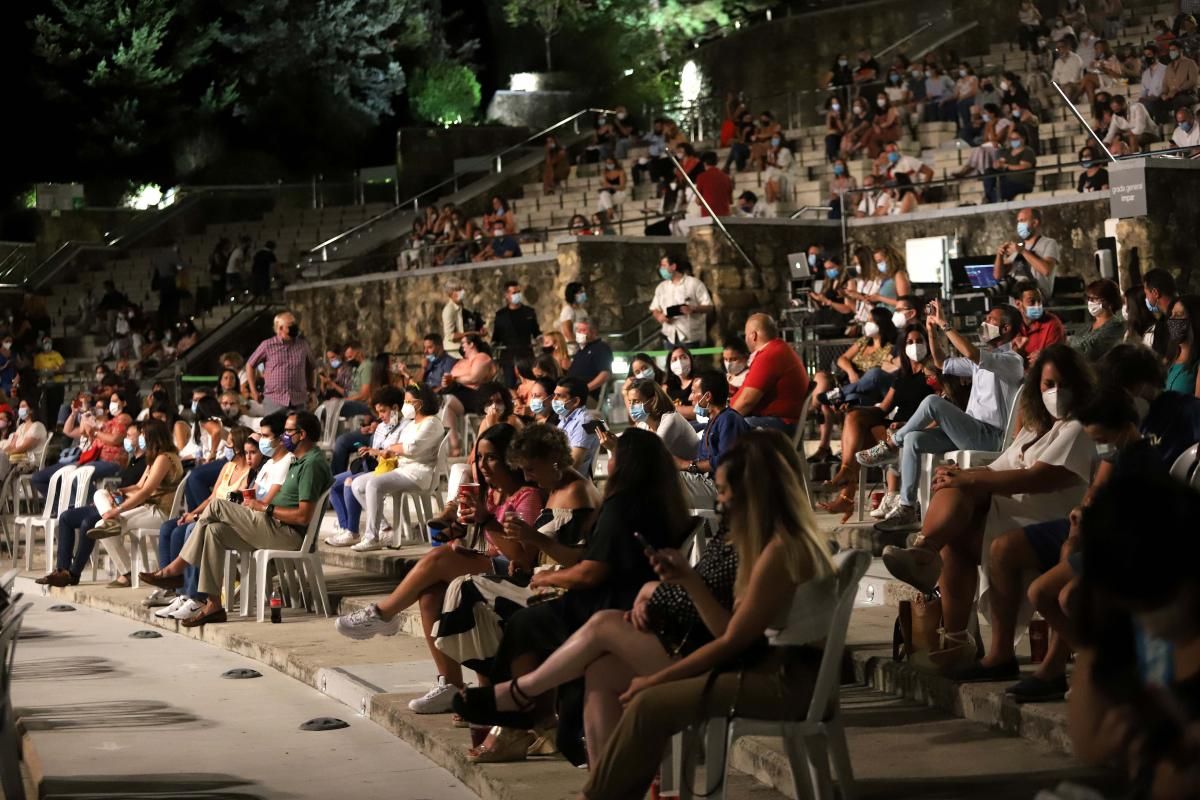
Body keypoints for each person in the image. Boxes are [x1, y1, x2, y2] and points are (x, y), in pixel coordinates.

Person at [551, 431, 835, 798]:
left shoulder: (780, 550)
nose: (720, 499)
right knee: (609, 674)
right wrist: (688, 579)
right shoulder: (775, 541)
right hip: (774, 666)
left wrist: (659, 679)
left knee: (649, 703)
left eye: (724, 489)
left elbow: (732, 642)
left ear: (752, 490)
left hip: (786, 680)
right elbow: (729, 633)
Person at [454, 428, 693, 764]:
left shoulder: (621, 505)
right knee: (517, 611)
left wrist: (551, 578)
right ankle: (524, 712)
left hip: (611, 602)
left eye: (614, 455)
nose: (608, 461)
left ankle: (518, 714)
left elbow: (591, 571)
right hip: (628, 596)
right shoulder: (663, 502)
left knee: (524, 622)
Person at [883, 345, 1097, 676]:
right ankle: (955, 635)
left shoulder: (1078, 427)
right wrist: (957, 475)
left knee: (964, 493)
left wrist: (967, 477)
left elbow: (1038, 478)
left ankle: (925, 552)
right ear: (1036, 388)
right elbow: (999, 468)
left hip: (1048, 515)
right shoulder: (1033, 428)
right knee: (956, 516)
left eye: (1062, 384)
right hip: (1013, 508)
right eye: (1048, 385)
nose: (1056, 393)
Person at [334, 423, 543, 710]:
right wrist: (458, 529)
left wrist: (485, 522)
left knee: (439, 557)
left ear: (510, 459)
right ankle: (450, 684)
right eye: (479, 458)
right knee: (430, 593)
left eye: (491, 457)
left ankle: (383, 613)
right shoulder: (492, 494)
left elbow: (524, 558)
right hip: (491, 565)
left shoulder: (526, 496)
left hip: (515, 576)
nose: (483, 465)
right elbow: (487, 539)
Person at [1068, 475, 1200, 798]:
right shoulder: (1118, 623)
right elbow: (1087, 742)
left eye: (1159, 599)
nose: (1151, 617)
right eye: (1136, 605)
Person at [142, 411, 333, 626]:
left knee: (216, 506)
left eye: (288, 432)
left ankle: (176, 569)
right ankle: (213, 604)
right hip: (272, 527)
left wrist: (264, 507)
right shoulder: (298, 461)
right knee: (213, 531)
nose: (284, 436)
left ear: (302, 434)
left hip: (287, 534)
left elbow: (303, 516)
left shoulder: (311, 464)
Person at [860, 301, 1026, 533]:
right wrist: (931, 329)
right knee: (913, 439)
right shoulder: (982, 359)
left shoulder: (1011, 361)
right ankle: (907, 508)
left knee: (932, 402)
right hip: (970, 431)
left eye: (991, 320)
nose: (984, 323)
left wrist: (944, 323)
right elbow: (941, 362)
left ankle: (890, 445)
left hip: (991, 437)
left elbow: (969, 352)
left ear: (1006, 329)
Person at [825, 324, 937, 522]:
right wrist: (855, 409)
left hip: (914, 429)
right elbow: (883, 408)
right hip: (892, 429)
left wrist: (907, 424)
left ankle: (847, 494)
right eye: (910, 342)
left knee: (862, 438)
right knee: (853, 417)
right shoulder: (902, 376)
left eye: (919, 341)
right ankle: (846, 473)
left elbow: (938, 410)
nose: (915, 345)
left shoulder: (932, 374)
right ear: (903, 347)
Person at [149, 426, 255, 618]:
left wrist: (197, 518)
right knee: (169, 528)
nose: (226, 447)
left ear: (239, 446)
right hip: (208, 512)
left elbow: (231, 504)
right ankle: (177, 591)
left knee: (188, 530)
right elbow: (212, 498)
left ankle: (195, 596)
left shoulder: (250, 474)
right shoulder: (227, 467)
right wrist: (192, 512)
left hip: (225, 520)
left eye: (229, 443)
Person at [36, 422, 147, 587]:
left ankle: (73, 574)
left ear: (142, 437)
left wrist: (120, 497)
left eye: (130, 435)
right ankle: (62, 570)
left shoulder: (146, 462)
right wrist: (114, 495)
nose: (127, 439)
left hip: (126, 507)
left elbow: (142, 491)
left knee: (88, 523)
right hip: (111, 503)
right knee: (66, 517)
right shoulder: (132, 461)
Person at [81, 419, 185, 589]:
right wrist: (119, 492)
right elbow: (138, 486)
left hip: (158, 512)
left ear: (153, 437)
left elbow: (146, 491)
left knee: (102, 526)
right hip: (146, 508)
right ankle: (127, 570)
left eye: (143, 434)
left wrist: (119, 510)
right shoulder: (155, 458)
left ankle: (112, 526)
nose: (141, 437)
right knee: (100, 495)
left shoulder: (165, 458)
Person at [324, 387, 411, 545]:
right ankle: (345, 528)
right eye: (378, 412)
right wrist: (368, 451)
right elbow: (378, 451)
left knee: (350, 482)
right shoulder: (381, 426)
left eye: (383, 411)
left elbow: (398, 453)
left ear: (396, 408)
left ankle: (356, 531)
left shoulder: (407, 427)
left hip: (392, 470)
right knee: (331, 483)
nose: (380, 416)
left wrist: (377, 452)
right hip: (374, 467)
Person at [809, 307, 896, 462]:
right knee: (821, 377)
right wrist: (851, 372)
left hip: (868, 390)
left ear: (881, 323)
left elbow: (882, 372)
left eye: (870, 321)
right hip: (849, 380)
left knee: (852, 398)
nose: (867, 324)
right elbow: (842, 359)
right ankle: (818, 410)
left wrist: (859, 379)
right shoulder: (863, 342)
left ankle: (838, 449)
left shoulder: (890, 347)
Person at [731, 313, 809, 431]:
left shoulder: (769, 355)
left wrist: (720, 422)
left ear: (753, 336)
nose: (745, 339)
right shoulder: (779, 349)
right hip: (781, 421)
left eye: (746, 335)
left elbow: (746, 402)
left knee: (722, 429)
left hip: (777, 424)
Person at [245, 311, 316, 413]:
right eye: (290, 325)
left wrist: (312, 391)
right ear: (280, 328)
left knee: (298, 428)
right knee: (273, 428)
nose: (294, 328)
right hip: (274, 400)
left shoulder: (303, 345)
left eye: (294, 324)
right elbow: (250, 365)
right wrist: (253, 391)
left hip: (298, 400)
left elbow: (312, 367)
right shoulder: (267, 345)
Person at [621, 379, 698, 463]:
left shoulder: (670, 419)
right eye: (630, 401)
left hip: (694, 472)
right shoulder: (643, 425)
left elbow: (649, 458)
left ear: (652, 401)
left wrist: (615, 448)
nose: (631, 407)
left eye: (636, 401)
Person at [993, 207, 1061, 298]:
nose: (1019, 225)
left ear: (1034, 223)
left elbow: (1046, 270)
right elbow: (997, 275)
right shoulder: (1019, 245)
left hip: (1036, 299)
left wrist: (1022, 251)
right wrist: (999, 255)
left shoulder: (1049, 243)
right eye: (1018, 221)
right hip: (1016, 301)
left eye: (1022, 221)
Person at [649, 256, 713, 349]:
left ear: (673, 266)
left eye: (663, 266)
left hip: (691, 338)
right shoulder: (661, 287)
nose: (661, 269)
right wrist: (659, 316)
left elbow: (709, 307)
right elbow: (654, 308)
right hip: (669, 337)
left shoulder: (694, 283)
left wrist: (693, 308)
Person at [492, 282, 541, 387]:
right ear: (506, 295)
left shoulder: (529, 312)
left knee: (531, 384)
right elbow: (496, 337)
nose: (517, 295)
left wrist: (540, 339)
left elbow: (536, 332)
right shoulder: (500, 315)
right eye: (514, 292)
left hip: (526, 356)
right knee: (510, 386)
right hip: (508, 358)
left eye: (518, 292)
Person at [553, 377, 599, 475]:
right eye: (554, 395)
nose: (554, 400)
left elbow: (572, 465)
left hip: (574, 484)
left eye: (559, 396)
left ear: (575, 401)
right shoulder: (564, 419)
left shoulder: (586, 421)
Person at [1071, 278, 1125, 360]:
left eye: (1094, 299)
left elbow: (1091, 351)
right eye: (1089, 298)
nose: (1090, 302)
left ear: (1109, 301)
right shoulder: (1086, 328)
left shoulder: (1116, 326)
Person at [983, 127, 1037, 204]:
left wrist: (1006, 166)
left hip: (1021, 183)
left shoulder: (1027, 151)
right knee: (989, 172)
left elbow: (1024, 167)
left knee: (1000, 189)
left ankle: (992, 201)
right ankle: (988, 197)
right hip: (1007, 181)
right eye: (1011, 139)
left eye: (1016, 139)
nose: (1013, 141)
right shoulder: (1009, 151)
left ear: (1023, 139)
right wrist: (997, 164)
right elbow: (1001, 161)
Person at [1013, 284, 1066, 361]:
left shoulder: (1052, 323)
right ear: (1018, 304)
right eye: (1031, 302)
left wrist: (1044, 358)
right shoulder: (1011, 324)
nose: (1037, 305)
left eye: (1039, 301)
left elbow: (1056, 357)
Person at [0, 399, 47, 482]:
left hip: (29, 462)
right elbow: (12, 445)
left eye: (23, 406)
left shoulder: (37, 426)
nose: (20, 409)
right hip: (16, 458)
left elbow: (23, 448)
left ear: (31, 410)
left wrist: (6, 453)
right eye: (19, 407)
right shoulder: (21, 427)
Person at [566, 320, 612, 400]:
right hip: (572, 393)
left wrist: (585, 389)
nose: (579, 333)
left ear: (593, 331)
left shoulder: (601, 348)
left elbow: (605, 374)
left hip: (588, 396)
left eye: (583, 330)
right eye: (578, 330)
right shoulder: (581, 350)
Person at [1165, 295, 1200, 397]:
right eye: (1171, 315)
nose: (1171, 320)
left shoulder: (1196, 365)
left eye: (1178, 315)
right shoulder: (1170, 358)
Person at [1143, 267, 1180, 356]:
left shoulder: (1169, 321)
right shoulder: (1192, 306)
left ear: (1155, 293)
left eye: (1146, 293)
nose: (1146, 298)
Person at [693, 152, 732, 217]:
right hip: (725, 215)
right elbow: (730, 201)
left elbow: (698, 201)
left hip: (708, 215)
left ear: (704, 163)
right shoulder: (726, 177)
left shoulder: (701, 177)